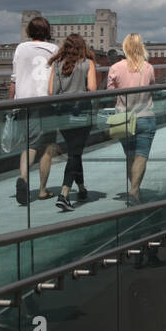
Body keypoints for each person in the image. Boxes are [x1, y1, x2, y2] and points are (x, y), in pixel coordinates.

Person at [9, 16, 60, 205]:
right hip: (46, 101)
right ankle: (41, 189)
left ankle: (24, 178)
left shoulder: (20, 48)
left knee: (28, 143)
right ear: (47, 32)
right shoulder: (54, 49)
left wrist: (10, 103)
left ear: (29, 31)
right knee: (48, 146)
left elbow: (14, 78)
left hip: (23, 101)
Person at [47, 33, 98, 212]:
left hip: (62, 115)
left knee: (75, 152)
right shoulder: (88, 63)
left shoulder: (56, 64)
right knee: (74, 154)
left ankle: (82, 189)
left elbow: (51, 92)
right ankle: (64, 194)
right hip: (82, 114)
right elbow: (92, 89)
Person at [107, 33, 156, 205]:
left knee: (129, 156)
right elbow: (152, 86)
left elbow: (110, 92)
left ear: (125, 47)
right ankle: (135, 190)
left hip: (123, 117)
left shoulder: (115, 68)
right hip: (145, 116)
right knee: (141, 156)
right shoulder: (148, 67)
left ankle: (134, 190)